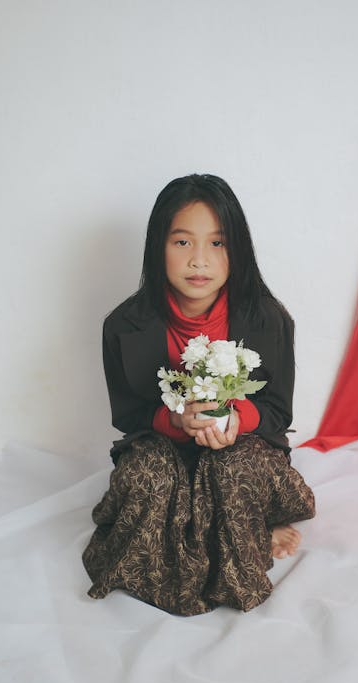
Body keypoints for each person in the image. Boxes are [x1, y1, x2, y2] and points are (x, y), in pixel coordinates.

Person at [82, 174, 315, 616]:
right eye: (183, 243)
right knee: (150, 477)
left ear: (237, 251)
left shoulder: (267, 319)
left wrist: (236, 419)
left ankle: (247, 522)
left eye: (218, 243)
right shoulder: (123, 325)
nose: (199, 261)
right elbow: (128, 415)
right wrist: (173, 421)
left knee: (231, 470)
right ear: (158, 248)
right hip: (164, 449)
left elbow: (278, 412)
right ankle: (236, 530)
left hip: (240, 449)